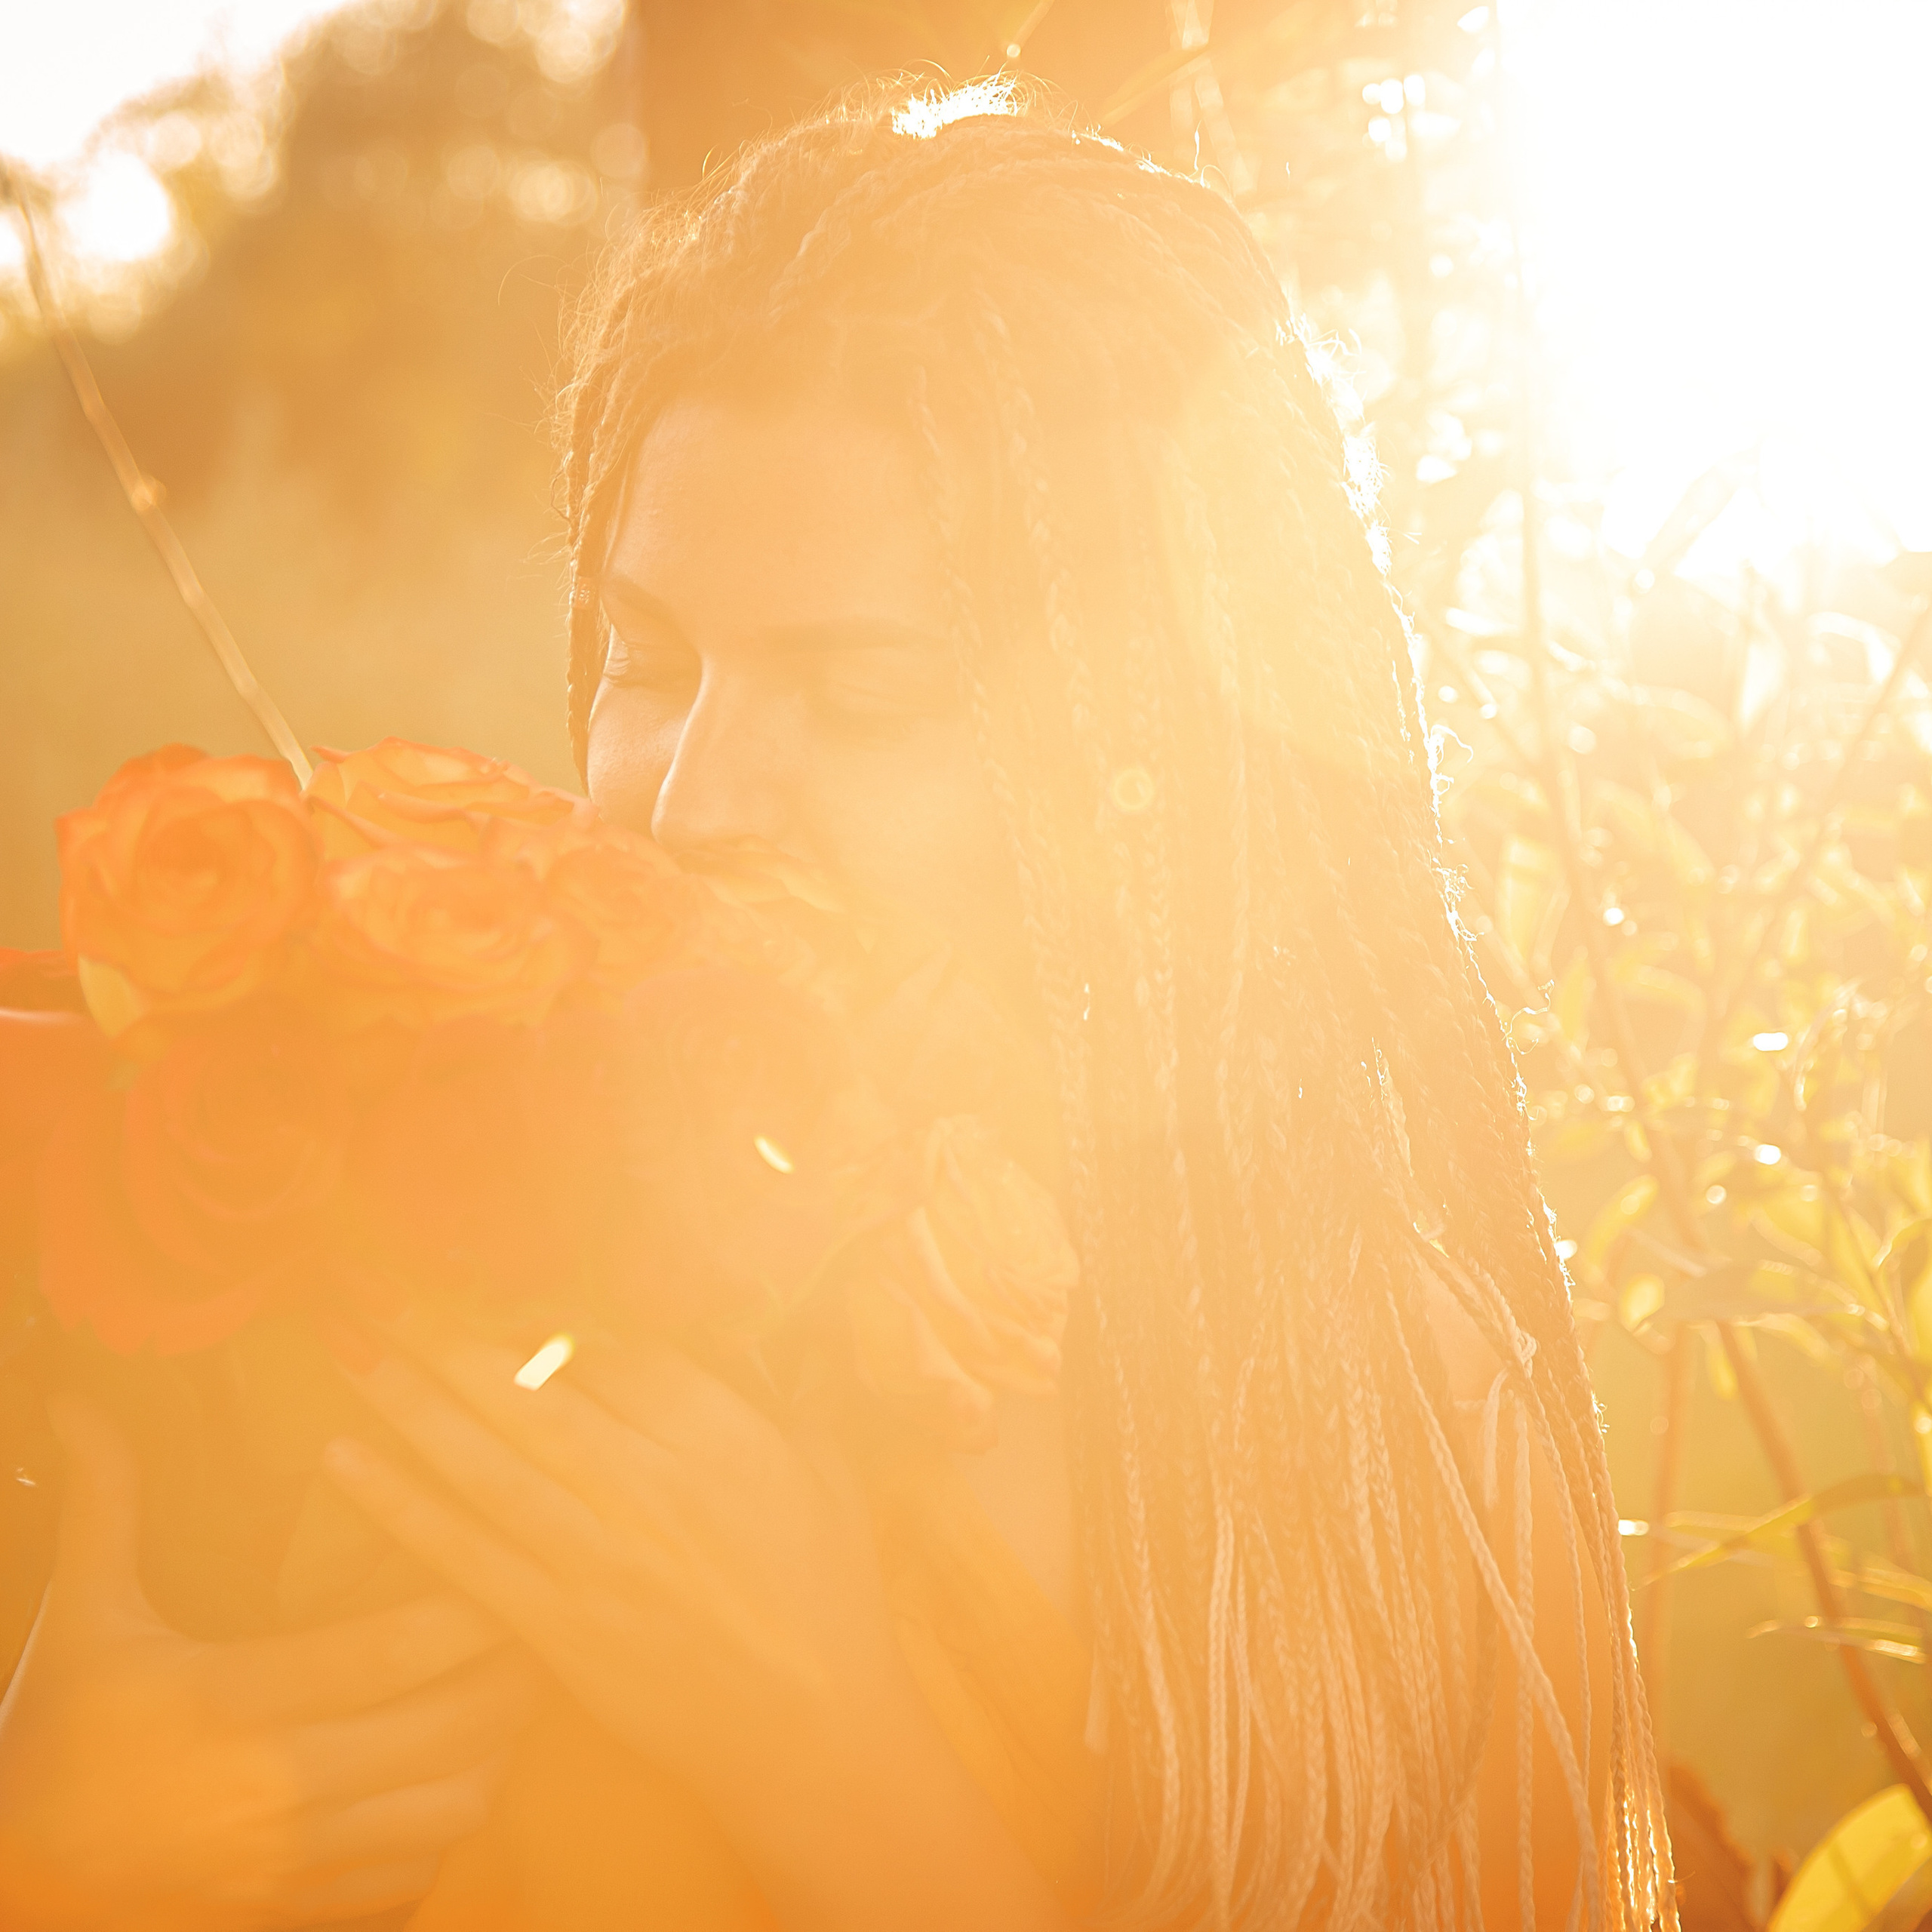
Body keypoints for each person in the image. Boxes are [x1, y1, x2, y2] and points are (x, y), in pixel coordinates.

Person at [0, 78, 1670, 1932]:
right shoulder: (427, 1184)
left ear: (1137, 752)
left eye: (861, 693)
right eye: (643, 658)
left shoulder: (1388, 1429)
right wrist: (57, 1849)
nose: (695, 794)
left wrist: (830, 1755)